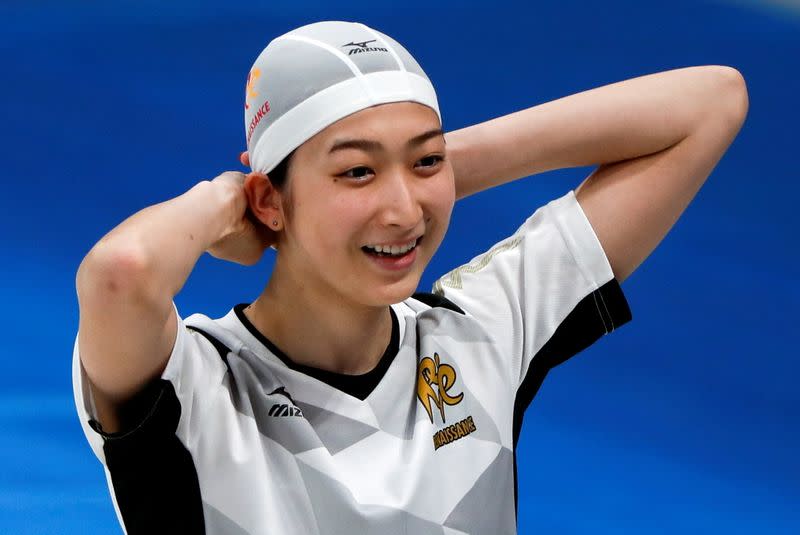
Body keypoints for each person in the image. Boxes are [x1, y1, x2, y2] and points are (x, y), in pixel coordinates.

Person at [71, 20, 748, 535]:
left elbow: (712, 102)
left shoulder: (481, 332)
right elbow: (119, 272)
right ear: (268, 198)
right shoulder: (195, 383)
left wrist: (431, 178)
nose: (401, 209)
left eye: (425, 162)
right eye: (356, 171)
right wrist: (230, 204)